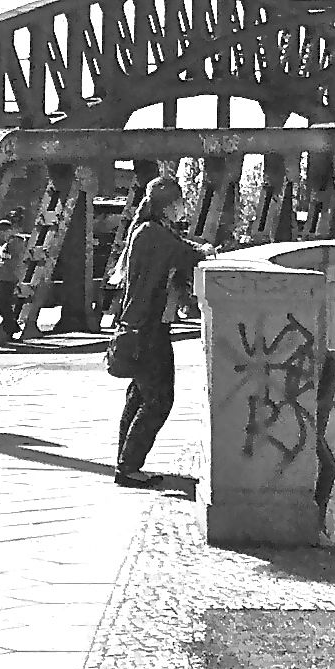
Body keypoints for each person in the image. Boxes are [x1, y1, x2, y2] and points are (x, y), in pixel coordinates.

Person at [112, 175, 206, 488]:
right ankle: (128, 468)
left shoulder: (149, 231)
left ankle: (125, 464)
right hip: (149, 328)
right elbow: (186, 254)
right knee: (158, 400)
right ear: (168, 206)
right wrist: (205, 251)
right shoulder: (154, 234)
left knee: (140, 396)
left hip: (142, 326)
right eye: (179, 202)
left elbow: (180, 249)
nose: (182, 207)